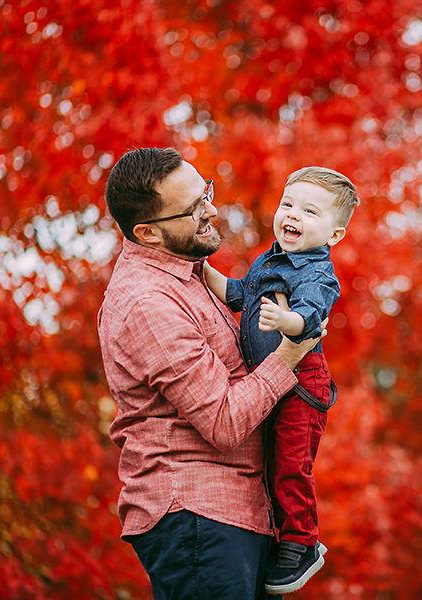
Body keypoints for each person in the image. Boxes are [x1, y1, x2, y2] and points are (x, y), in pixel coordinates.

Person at [97, 147, 323, 600]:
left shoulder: (191, 273)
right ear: (148, 233)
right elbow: (223, 421)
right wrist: (293, 353)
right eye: (194, 207)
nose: (211, 210)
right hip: (197, 518)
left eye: (206, 193)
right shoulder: (149, 304)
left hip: (235, 514)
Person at [203, 166, 359, 595]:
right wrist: (202, 271)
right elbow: (239, 293)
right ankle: (279, 533)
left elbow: (312, 316)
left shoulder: (316, 272)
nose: (293, 214)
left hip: (301, 384)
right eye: (288, 204)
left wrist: (285, 319)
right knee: (268, 461)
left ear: (334, 235)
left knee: (292, 462)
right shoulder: (268, 261)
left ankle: (302, 542)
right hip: (269, 378)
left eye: (310, 211)